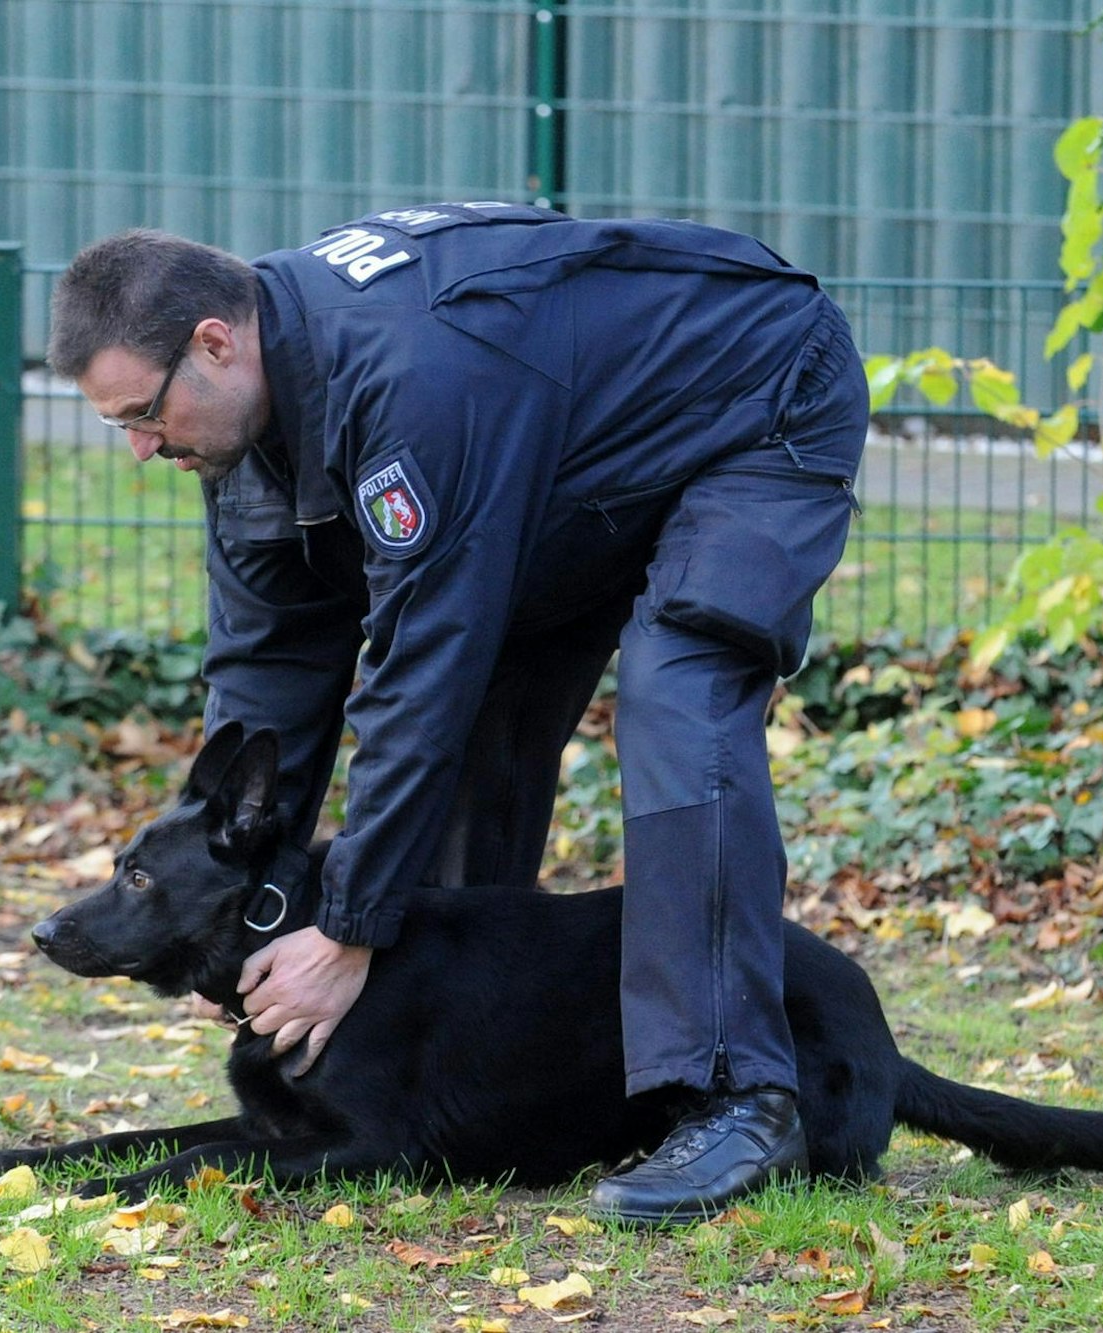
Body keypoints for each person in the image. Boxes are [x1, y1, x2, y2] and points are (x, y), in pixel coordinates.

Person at [45, 202, 868, 1224]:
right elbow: (264, 679)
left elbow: (416, 676)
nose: (137, 447)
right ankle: (450, 1075)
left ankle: (738, 1096)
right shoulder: (246, 428)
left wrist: (345, 929)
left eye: (141, 414)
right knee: (483, 718)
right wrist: (240, 909)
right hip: (573, 463)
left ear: (215, 343)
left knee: (676, 694)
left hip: (757, 395)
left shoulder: (409, 383)